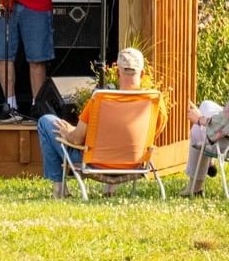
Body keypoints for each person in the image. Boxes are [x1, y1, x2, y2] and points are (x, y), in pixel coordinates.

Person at [36, 48, 161, 198]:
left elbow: (76, 139)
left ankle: (59, 189)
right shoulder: (154, 102)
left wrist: (69, 132)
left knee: (46, 121)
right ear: (142, 73)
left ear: (117, 72)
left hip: (96, 163)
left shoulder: (101, 99)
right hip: (134, 163)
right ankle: (110, 190)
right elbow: (149, 136)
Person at [180, 98, 228, 197]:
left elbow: (222, 123)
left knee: (196, 132)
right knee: (207, 105)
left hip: (224, 142)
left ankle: (195, 187)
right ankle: (196, 184)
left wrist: (200, 119)